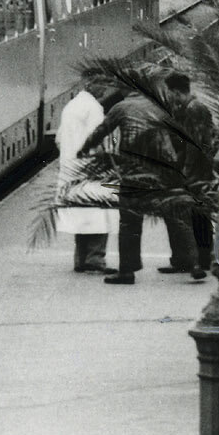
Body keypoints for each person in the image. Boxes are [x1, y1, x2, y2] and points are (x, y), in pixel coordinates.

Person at [79, 84, 180, 285]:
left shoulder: (122, 107)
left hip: (134, 169)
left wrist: (84, 149)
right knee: (174, 213)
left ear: (125, 91)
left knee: (129, 221)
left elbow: (101, 130)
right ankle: (188, 261)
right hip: (161, 167)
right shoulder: (158, 106)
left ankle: (127, 270)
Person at [52, 81, 120, 273]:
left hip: (72, 170)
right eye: (102, 86)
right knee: (100, 215)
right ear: (92, 86)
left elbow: (59, 139)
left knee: (81, 218)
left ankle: (80, 259)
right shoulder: (94, 108)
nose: (105, 89)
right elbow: (100, 138)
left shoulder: (71, 106)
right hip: (92, 169)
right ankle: (96, 259)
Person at [163, 71, 214, 281]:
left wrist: (188, 172)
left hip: (197, 171)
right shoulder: (188, 109)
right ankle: (192, 258)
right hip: (196, 168)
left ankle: (199, 258)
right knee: (195, 214)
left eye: (170, 93)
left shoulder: (195, 109)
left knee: (197, 214)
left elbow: (196, 143)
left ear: (176, 92)